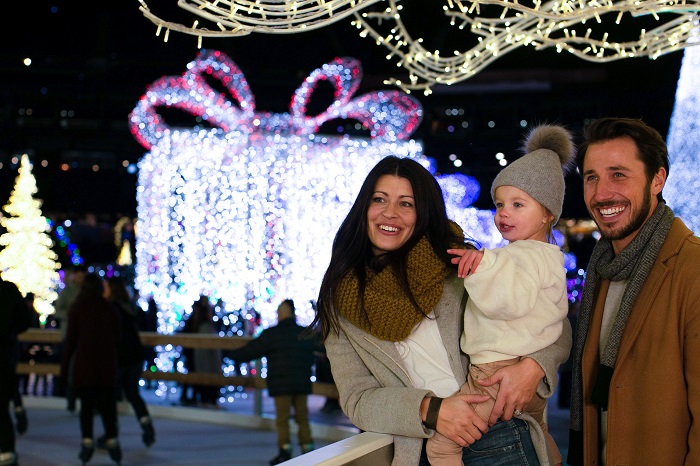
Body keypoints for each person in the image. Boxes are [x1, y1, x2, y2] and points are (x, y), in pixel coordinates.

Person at [312, 155, 572, 466]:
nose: (390, 213)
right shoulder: (341, 299)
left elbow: (550, 318)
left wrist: (533, 367)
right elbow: (357, 398)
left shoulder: (457, 263)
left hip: (499, 434)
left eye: (406, 203)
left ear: (422, 212)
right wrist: (431, 409)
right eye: (379, 199)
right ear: (363, 208)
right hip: (423, 449)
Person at [428, 125, 574, 466]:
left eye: (518, 204)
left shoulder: (522, 256)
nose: (503, 213)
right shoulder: (546, 256)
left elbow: (509, 302)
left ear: (548, 213)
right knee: (538, 434)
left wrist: (479, 270)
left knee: (442, 447)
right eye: (499, 203)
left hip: (495, 374)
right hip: (528, 377)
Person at [567, 117, 700, 465]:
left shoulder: (691, 267)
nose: (601, 194)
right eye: (591, 178)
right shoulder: (603, 268)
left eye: (618, 174)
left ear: (657, 179)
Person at [229, 299, 322, 465]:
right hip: (301, 383)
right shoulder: (305, 334)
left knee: (282, 419)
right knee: (302, 418)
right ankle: (307, 448)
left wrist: (230, 355)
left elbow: (252, 350)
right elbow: (324, 345)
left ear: (281, 314)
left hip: (281, 385)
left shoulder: (272, 334)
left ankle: (285, 450)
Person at [60, 273, 122, 465]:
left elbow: (70, 342)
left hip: (85, 367)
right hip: (106, 368)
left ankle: (87, 442)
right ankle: (112, 440)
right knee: (107, 406)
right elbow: (118, 339)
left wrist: (64, 370)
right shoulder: (109, 309)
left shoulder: (78, 309)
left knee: (86, 407)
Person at [103, 276, 156, 448]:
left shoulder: (111, 309)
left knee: (109, 396)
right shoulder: (132, 308)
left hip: (120, 357)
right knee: (132, 392)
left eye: (107, 287)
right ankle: (146, 424)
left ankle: (111, 435)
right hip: (135, 356)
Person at [0, 277, 32, 466]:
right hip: (5, 353)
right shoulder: (9, 290)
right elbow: (25, 320)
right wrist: (10, 333)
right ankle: (7, 452)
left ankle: (6, 452)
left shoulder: (8, 290)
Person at [53, 264, 87, 410]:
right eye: (79, 275)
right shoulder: (67, 292)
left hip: (83, 337)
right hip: (68, 335)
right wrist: (70, 315)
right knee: (69, 368)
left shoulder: (86, 292)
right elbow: (57, 311)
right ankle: (69, 397)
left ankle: (80, 397)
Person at [189, 296, 221, 406]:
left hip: (206, 362)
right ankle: (207, 400)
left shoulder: (203, 325)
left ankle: (205, 399)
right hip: (207, 363)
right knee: (206, 383)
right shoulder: (205, 327)